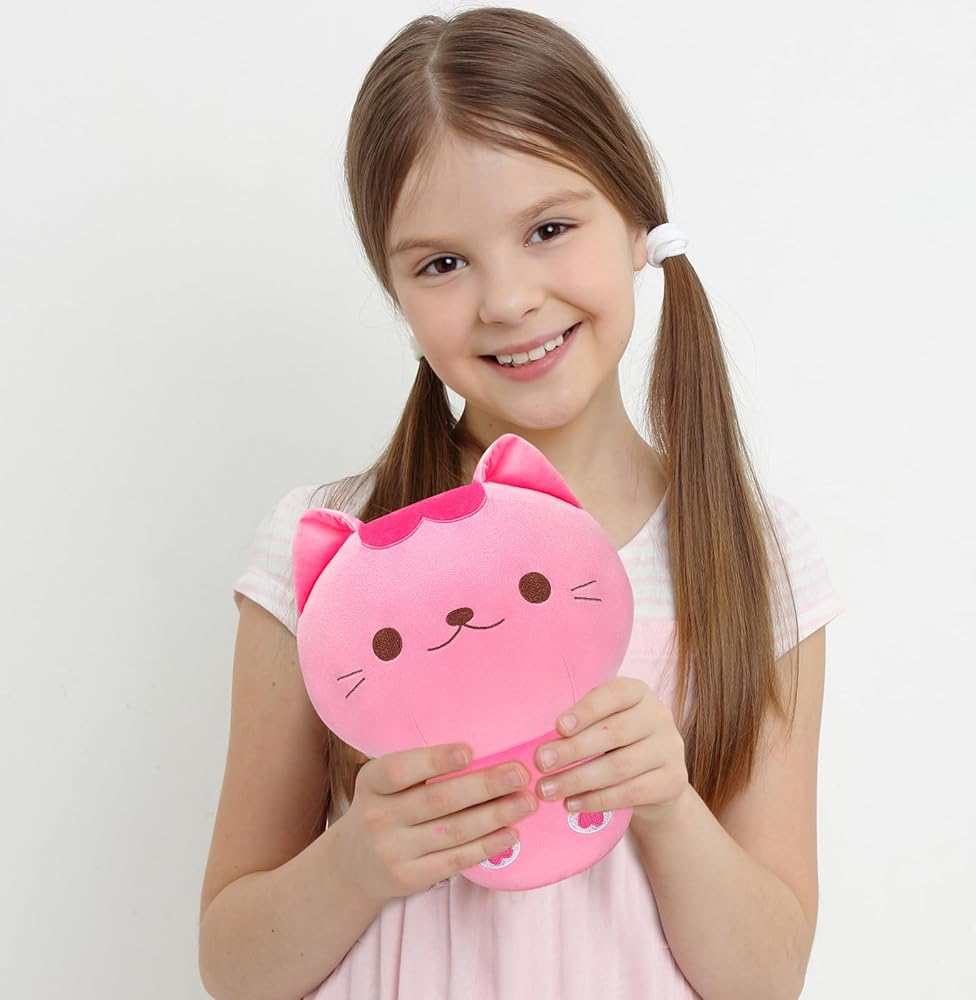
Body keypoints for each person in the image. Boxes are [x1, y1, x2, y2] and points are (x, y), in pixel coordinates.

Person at [198, 8, 845, 1000]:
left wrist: (667, 804)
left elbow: (765, 977)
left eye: (548, 229)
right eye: (441, 263)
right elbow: (234, 965)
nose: (506, 300)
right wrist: (356, 862)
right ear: (395, 292)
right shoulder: (327, 549)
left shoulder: (755, 555)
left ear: (636, 222)